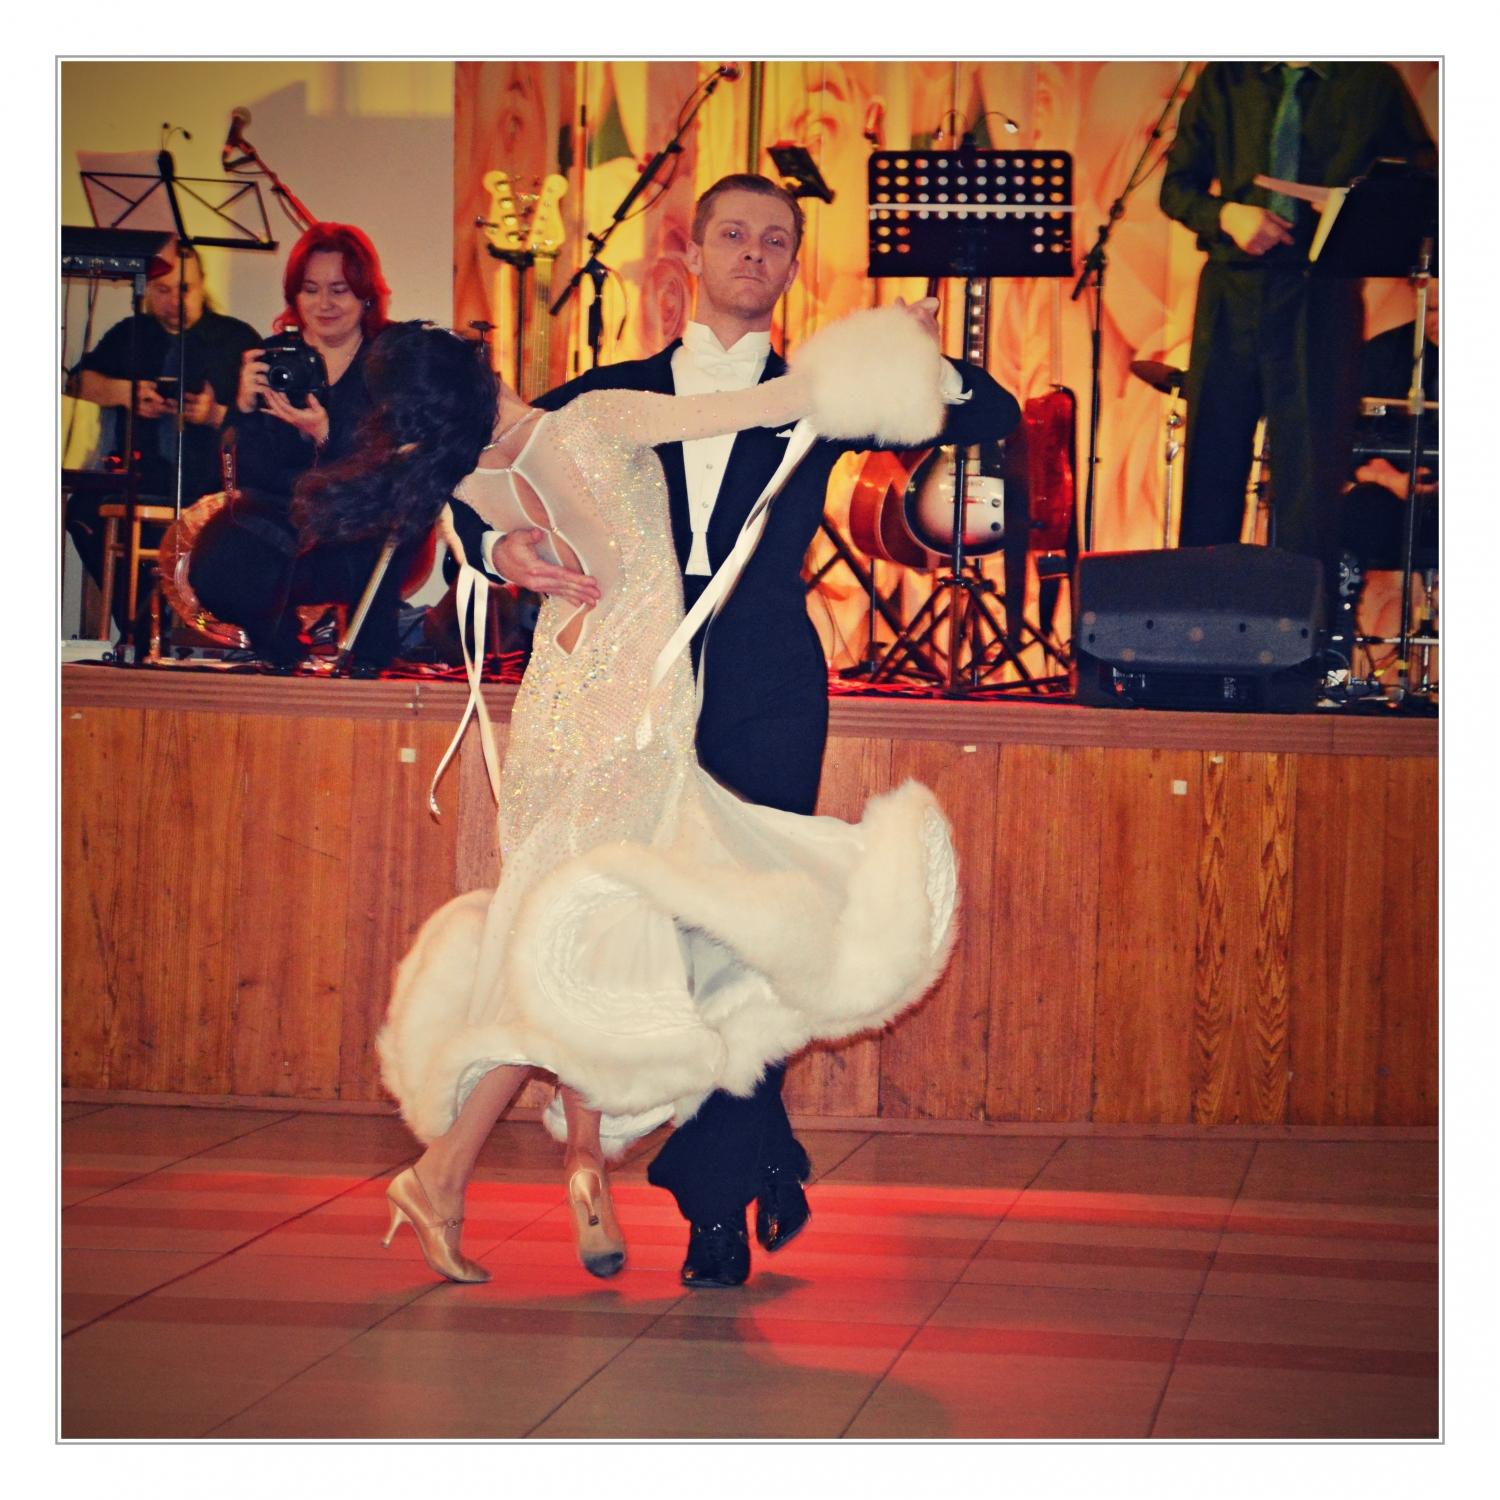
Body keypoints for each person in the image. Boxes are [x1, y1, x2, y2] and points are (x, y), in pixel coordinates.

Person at [447, 173, 1021, 1287]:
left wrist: (919, 359)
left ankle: (714, 1204)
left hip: (766, 687)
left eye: (774, 241)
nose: (753, 253)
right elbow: (479, 476)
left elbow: (988, 414)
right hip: (632, 697)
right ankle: (762, 1155)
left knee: (749, 942)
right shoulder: (612, 392)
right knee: (657, 936)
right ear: (692, 254)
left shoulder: (821, 392)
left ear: (791, 265)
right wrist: (497, 551)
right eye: (734, 235)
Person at [366, 310, 960, 1288]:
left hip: (557, 712)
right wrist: (900, 341)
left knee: (577, 938)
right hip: (632, 721)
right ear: (482, 364)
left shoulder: (473, 477)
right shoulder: (596, 419)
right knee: (572, 946)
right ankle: (451, 1175)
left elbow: (466, 534)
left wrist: (498, 548)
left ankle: (565, 1166)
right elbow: (778, 401)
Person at [1159, 62, 1433, 586]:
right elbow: (1176, 187)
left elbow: (1424, 180)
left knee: (1310, 482)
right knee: (1211, 468)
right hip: (1232, 288)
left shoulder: (1369, 81)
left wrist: (1356, 208)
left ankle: (1301, 628)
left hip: (1321, 291)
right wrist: (1226, 215)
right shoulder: (1227, 77)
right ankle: (1199, 621)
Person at [186, 222, 415, 672]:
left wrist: (327, 435)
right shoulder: (273, 358)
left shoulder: (389, 359)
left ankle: (370, 664)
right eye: (310, 290)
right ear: (294, 295)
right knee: (216, 563)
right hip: (281, 518)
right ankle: (285, 657)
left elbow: (395, 464)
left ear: (366, 295)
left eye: (339, 290)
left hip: (362, 518)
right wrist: (242, 409)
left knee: (378, 539)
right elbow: (240, 476)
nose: (324, 304)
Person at [66, 242, 259, 620]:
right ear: (148, 291)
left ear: (201, 286)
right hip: (138, 479)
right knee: (82, 511)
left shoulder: (236, 338)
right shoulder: (131, 333)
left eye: (184, 289)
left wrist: (214, 414)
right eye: (162, 290)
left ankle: (168, 623)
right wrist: (125, 393)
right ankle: (138, 623)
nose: (174, 301)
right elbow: (76, 382)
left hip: (209, 486)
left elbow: (264, 422)